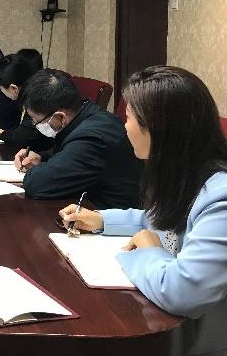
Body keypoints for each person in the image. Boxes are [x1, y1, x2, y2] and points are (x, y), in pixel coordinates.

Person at [58, 66, 227, 356]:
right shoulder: (187, 171)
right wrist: (101, 220)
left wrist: (149, 250)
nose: (125, 126)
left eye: (129, 117)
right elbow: (165, 219)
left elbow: (184, 293)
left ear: (159, 128)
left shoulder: (220, 198)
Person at [15, 69, 143, 209]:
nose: (35, 125)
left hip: (110, 217)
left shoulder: (91, 138)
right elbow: (68, 152)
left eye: (36, 121)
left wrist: (34, 172)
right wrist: (41, 157)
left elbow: (36, 185)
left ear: (60, 117)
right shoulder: (88, 114)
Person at [0, 52, 52, 151]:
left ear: (14, 88)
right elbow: (18, 126)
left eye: (1, 88)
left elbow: (22, 138)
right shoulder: (26, 94)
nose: (2, 92)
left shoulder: (35, 100)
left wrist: (5, 134)